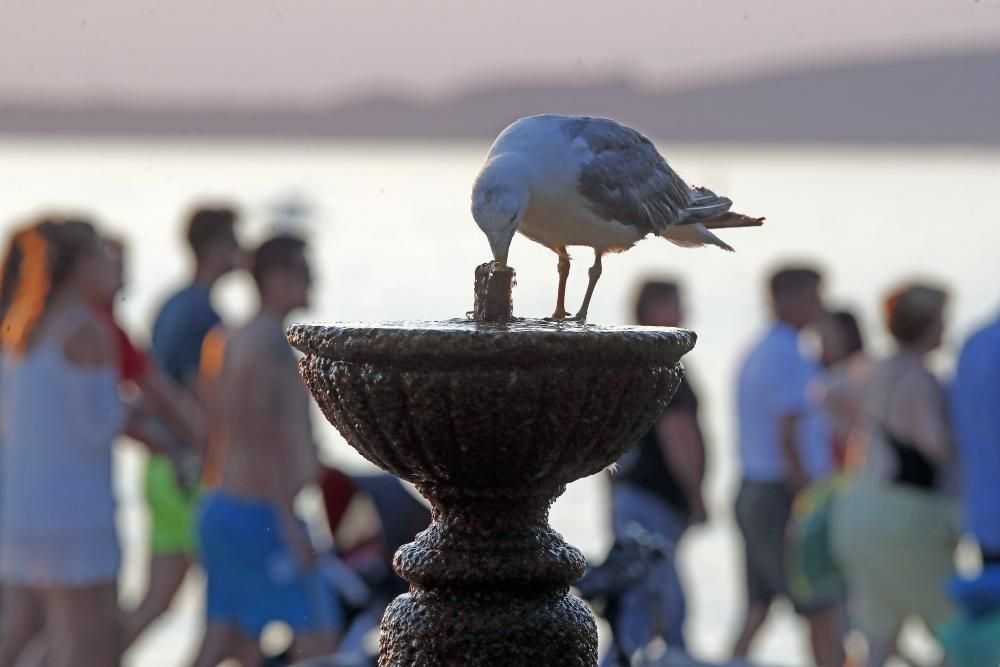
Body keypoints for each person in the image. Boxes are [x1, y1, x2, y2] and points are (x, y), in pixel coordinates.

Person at [192, 235, 339, 667]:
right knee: (320, 637)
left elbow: (212, 429)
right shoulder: (269, 348)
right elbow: (261, 436)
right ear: (274, 280)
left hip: (222, 505)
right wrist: (289, 524)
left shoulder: (225, 338)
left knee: (226, 642)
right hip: (261, 515)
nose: (312, 281)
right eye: (302, 272)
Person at [0, 218, 125, 667]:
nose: (110, 263)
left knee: (31, 631)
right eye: (100, 255)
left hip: (25, 510)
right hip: (76, 512)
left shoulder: (22, 326)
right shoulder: (86, 330)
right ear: (79, 266)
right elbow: (98, 430)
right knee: (88, 642)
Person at [126, 205, 242, 645]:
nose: (241, 252)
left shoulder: (171, 303)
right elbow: (202, 398)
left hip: (161, 466)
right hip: (187, 468)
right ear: (215, 248)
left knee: (158, 602)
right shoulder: (201, 315)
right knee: (225, 600)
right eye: (234, 242)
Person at [831, 284, 959, 667]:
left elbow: (825, 394)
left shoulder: (873, 367)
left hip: (858, 508)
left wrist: (852, 434)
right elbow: (937, 446)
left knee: (879, 635)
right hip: (905, 520)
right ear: (927, 325)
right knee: (954, 627)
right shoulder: (919, 379)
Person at [731, 267, 843, 667]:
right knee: (820, 604)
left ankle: (733, 661)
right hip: (780, 492)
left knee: (759, 604)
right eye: (815, 296)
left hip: (754, 490)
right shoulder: (787, 353)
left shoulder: (761, 348)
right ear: (790, 298)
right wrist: (809, 498)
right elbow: (789, 436)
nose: (821, 306)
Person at [607, 280, 707, 658]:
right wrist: (697, 496)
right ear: (651, 308)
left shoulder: (626, 364)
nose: (684, 311)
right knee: (658, 596)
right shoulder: (666, 366)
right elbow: (676, 435)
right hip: (656, 498)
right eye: (676, 303)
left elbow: (606, 445)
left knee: (639, 592)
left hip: (630, 496)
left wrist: (612, 500)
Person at [817, 309, 870, 469]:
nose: (822, 343)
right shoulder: (828, 375)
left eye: (828, 335)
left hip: (850, 458)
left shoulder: (855, 372)